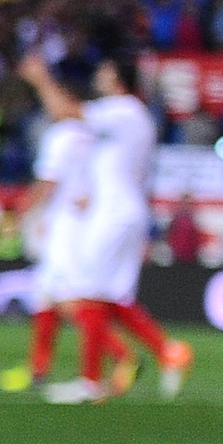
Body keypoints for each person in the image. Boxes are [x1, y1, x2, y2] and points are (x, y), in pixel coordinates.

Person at [22, 53, 192, 404]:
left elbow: (64, 113)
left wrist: (40, 80)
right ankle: (168, 351)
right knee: (111, 296)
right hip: (124, 210)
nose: (98, 73)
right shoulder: (128, 117)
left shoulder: (124, 110)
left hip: (114, 213)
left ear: (116, 76)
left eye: (103, 67)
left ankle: (90, 381)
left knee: (86, 292)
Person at [0, 78, 93, 392]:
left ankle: (121, 354)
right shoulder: (93, 135)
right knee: (45, 293)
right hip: (87, 223)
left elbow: (48, 182)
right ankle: (38, 369)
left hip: (63, 226)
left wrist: (23, 212)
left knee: (66, 297)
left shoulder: (61, 135)